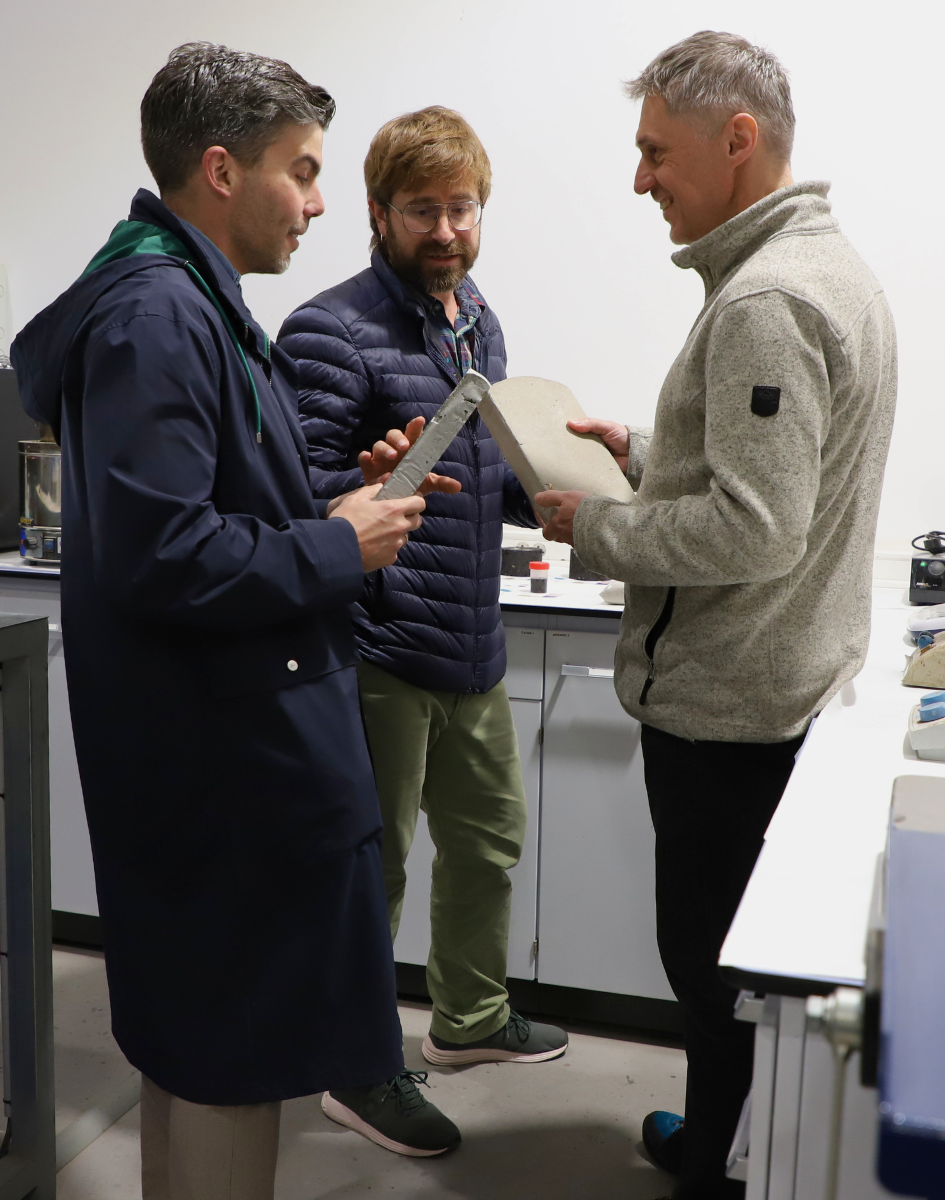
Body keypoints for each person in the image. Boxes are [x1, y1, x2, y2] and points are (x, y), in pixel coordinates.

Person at [11, 43, 462, 1198]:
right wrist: (337, 546)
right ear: (222, 171)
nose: (318, 203)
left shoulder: (193, 301)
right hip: (220, 776)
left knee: (209, 1056)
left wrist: (338, 500)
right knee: (226, 1057)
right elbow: (164, 556)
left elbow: (215, 509)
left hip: (222, 759)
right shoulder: (159, 315)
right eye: (302, 172)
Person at [536, 31, 898, 1200]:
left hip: (730, 710)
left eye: (657, 150)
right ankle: (719, 1147)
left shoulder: (768, 300)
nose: (640, 177)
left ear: (736, 140)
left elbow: (757, 530)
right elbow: (779, 474)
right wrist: (646, 455)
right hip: (784, 690)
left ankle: (718, 1175)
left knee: (712, 975)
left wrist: (594, 527)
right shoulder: (826, 267)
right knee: (738, 979)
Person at [277, 106, 567, 1114]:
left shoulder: (477, 318)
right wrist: (368, 480)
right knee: (374, 870)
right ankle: (354, 1067)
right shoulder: (328, 330)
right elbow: (300, 496)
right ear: (378, 212)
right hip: (379, 647)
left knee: (489, 844)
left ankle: (471, 1019)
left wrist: (559, 488)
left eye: (462, 208)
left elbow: (484, 465)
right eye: (422, 210)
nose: (446, 231)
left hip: (471, 642)